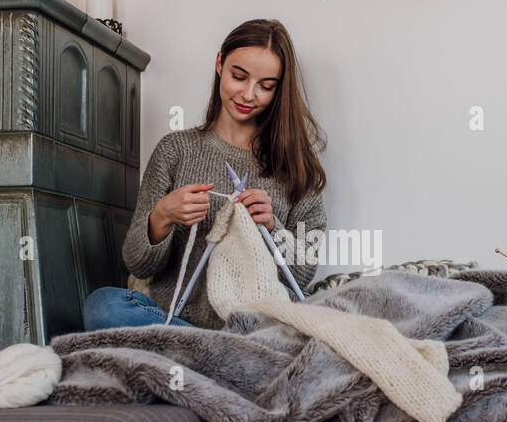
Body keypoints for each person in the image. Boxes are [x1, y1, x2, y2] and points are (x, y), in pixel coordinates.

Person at [83, 18, 328, 330]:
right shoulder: (175, 149)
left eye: (265, 86)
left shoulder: (298, 169)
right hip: (175, 321)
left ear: (279, 89)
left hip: (254, 328)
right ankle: (210, 352)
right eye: (239, 77)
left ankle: (209, 353)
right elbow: (137, 262)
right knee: (104, 305)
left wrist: (272, 226)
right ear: (219, 64)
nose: (249, 94)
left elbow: (303, 275)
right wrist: (162, 216)